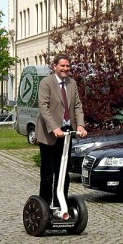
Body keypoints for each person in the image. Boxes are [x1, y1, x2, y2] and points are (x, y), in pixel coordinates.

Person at [36, 55, 87, 209]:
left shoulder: (72, 83)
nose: (65, 69)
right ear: (55, 66)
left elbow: (77, 105)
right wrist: (54, 127)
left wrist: (80, 125)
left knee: (63, 173)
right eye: (62, 66)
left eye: (67, 66)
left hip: (66, 133)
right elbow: (44, 108)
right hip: (48, 134)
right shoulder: (46, 83)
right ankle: (44, 206)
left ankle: (61, 205)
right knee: (47, 173)